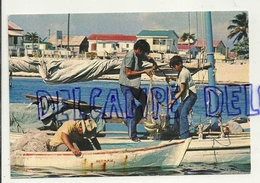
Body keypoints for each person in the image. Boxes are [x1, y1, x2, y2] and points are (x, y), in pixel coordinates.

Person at [119, 39, 157, 142]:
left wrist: (154, 63)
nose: (144, 55)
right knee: (131, 108)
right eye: (143, 52)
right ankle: (133, 136)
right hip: (126, 85)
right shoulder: (130, 56)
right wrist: (144, 71)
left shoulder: (139, 55)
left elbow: (148, 58)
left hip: (134, 85)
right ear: (139, 49)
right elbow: (128, 73)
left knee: (146, 102)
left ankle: (129, 122)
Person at [168, 55, 197, 139]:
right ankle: (175, 131)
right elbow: (179, 81)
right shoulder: (181, 71)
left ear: (180, 64)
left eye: (174, 66)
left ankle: (184, 136)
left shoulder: (184, 73)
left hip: (190, 96)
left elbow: (182, 90)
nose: (174, 68)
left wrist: (174, 100)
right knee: (177, 113)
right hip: (186, 97)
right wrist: (171, 78)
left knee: (183, 115)